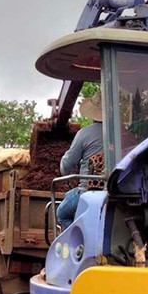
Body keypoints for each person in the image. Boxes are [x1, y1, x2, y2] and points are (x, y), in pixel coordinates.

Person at [57, 91, 104, 229]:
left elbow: (66, 166)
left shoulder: (84, 134)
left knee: (62, 214)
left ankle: (79, 242)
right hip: (119, 193)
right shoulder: (125, 134)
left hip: (88, 192)